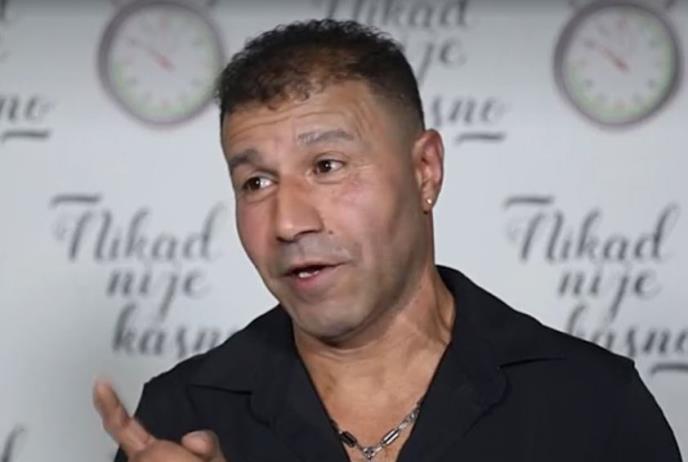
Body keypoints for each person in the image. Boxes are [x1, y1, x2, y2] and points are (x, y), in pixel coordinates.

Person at [93, 19, 682, 462]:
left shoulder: (590, 403)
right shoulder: (182, 417)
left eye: (327, 166)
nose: (287, 222)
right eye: (256, 182)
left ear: (425, 171)